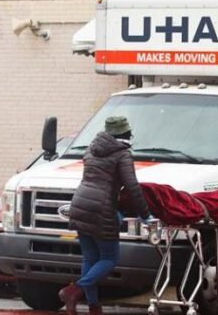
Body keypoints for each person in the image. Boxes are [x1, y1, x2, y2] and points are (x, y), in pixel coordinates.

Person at [58, 116, 151, 315]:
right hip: (101, 208)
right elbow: (132, 186)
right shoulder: (122, 154)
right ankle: (74, 290)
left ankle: (93, 306)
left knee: (90, 258)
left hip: (80, 203)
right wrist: (145, 214)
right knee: (109, 258)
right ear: (126, 133)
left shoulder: (91, 149)